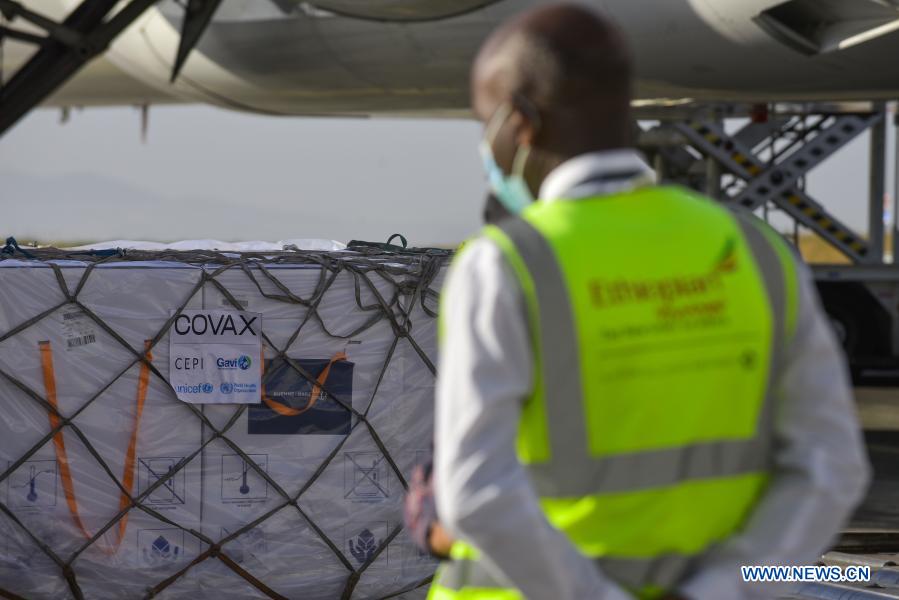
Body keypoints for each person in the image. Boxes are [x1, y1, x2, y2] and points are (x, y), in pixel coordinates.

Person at [427, 4, 871, 600]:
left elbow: (476, 495)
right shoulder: (755, 252)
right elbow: (831, 466)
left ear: (522, 123)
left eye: (487, 126)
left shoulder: (505, 266)